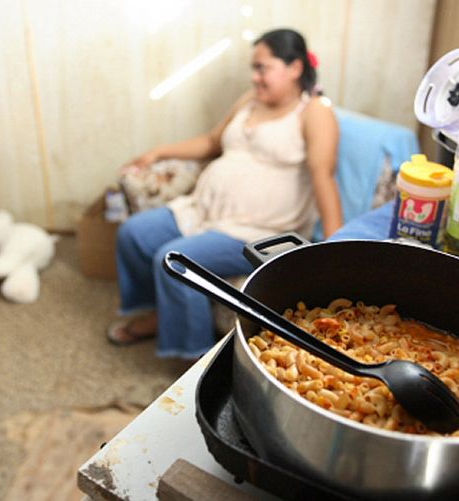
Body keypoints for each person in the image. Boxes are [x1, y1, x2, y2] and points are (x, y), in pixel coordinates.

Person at [108, 28, 344, 359]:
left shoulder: (314, 112)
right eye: (254, 67)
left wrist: (338, 250)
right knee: (133, 234)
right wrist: (158, 153)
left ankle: (193, 357)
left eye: (263, 68)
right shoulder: (250, 101)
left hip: (258, 229)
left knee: (175, 260)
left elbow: (324, 176)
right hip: (204, 211)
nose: (255, 77)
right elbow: (211, 142)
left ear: (295, 68)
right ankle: (161, 313)